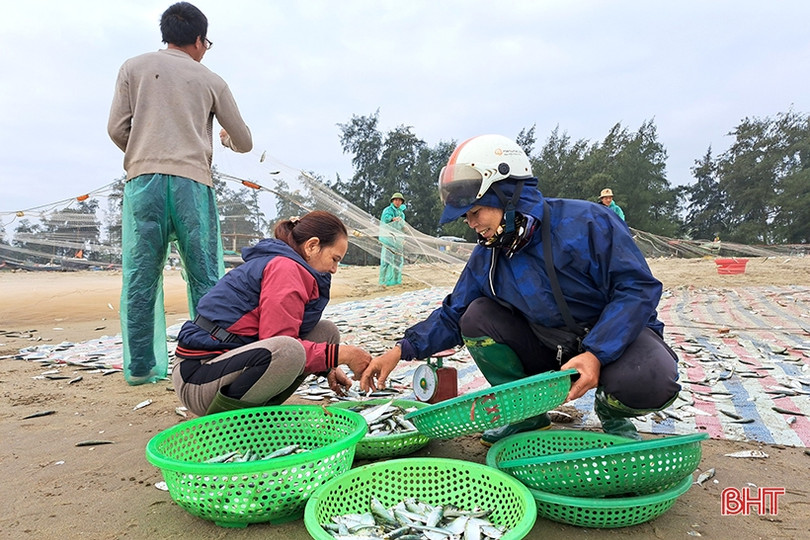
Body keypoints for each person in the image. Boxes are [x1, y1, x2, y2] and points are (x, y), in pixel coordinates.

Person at [361, 134, 680, 445]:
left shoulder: (588, 223)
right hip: (546, 348)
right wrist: (400, 351)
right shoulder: (488, 253)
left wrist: (596, 354)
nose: (471, 224)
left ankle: (612, 411)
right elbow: (452, 315)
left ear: (507, 196)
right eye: (466, 218)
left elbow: (636, 289)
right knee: (475, 317)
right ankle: (526, 415)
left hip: (613, 343)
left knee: (653, 378)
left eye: (475, 212)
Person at [107, 2, 253, 385]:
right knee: (207, 278)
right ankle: (212, 359)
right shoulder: (211, 80)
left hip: (144, 184)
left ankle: (141, 367)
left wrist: (145, 152)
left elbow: (116, 128)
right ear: (200, 40)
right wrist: (224, 140)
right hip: (192, 184)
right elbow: (245, 140)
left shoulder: (132, 68)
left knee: (141, 277)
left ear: (166, 34)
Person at [172, 211, 372, 416]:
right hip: (198, 377)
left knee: (326, 332)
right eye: (334, 259)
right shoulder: (285, 268)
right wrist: (345, 355)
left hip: (226, 363)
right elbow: (279, 343)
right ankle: (232, 422)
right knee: (289, 351)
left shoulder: (290, 264)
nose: (335, 269)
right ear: (312, 246)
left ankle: (257, 410)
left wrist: (328, 367)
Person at [379, 192, 407, 286]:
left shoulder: (401, 214)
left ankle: (396, 280)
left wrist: (404, 231)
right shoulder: (387, 210)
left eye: (399, 200)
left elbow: (401, 226)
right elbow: (386, 219)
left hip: (398, 240)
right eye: (396, 200)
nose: (397, 202)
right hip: (388, 238)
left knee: (398, 261)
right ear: (392, 201)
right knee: (386, 260)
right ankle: (384, 281)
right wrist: (392, 219)